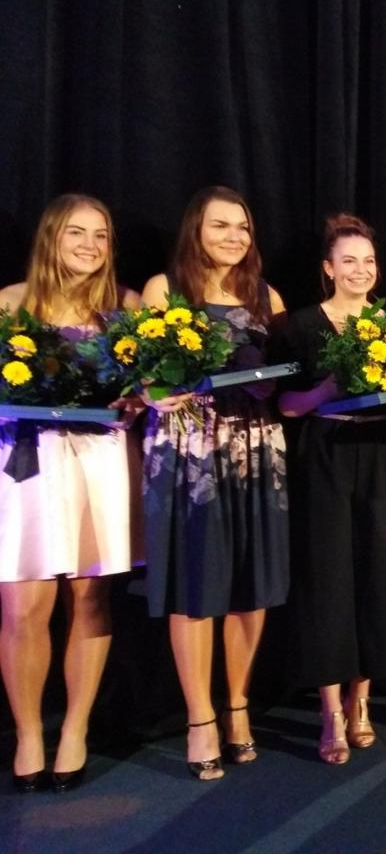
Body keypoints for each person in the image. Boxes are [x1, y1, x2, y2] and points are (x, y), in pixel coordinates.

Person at [140, 185, 289, 780]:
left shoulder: (266, 295)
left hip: (255, 444)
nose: (234, 237)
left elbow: (285, 374)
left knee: (252, 580)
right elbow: (145, 371)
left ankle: (238, 706)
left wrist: (272, 382)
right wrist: (155, 390)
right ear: (195, 231)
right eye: (220, 225)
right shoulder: (164, 289)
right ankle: (199, 717)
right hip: (191, 447)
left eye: (242, 227)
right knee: (196, 581)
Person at [0, 194, 142, 792]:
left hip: (99, 460)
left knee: (89, 598)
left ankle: (76, 729)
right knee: (23, 607)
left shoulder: (125, 308)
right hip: (25, 462)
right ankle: (29, 733)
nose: (90, 245)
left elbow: (148, 387)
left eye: (101, 234)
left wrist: (140, 398)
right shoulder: (11, 303)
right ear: (51, 237)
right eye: (77, 233)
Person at [275, 214, 386, 762]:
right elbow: (285, 405)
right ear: (328, 268)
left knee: (375, 573)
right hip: (324, 451)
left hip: (378, 451)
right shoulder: (302, 324)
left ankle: (361, 701)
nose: (360, 270)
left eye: (368, 261)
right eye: (349, 261)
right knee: (327, 579)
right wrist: (322, 391)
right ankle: (330, 711)